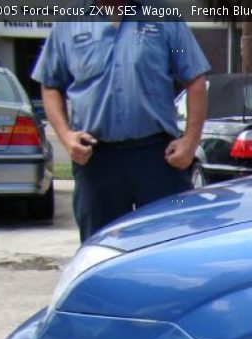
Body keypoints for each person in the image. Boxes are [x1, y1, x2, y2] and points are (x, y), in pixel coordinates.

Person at [32, 9, 210, 242]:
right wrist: (66, 136)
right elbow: (50, 84)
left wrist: (190, 141)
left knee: (170, 243)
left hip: (159, 161)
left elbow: (195, 78)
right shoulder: (69, 25)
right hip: (96, 161)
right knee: (100, 248)